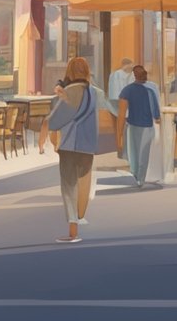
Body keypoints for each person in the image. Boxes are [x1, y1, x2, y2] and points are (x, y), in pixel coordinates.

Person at [50, 57, 99, 243]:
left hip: (70, 145)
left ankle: (73, 231)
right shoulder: (93, 92)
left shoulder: (69, 92)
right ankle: (80, 217)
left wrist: (59, 96)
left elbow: (55, 121)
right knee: (83, 182)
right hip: (88, 145)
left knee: (69, 187)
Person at [116, 65, 160, 188]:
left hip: (132, 125)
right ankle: (141, 178)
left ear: (134, 75)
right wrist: (157, 117)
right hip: (147, 125)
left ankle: (135, 175)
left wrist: (118, 136)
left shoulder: (127, 90)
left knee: (133, 152)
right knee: (143, 153)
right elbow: (156, 110)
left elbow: (121, 114)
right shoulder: (152, 88)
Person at [108, 58, 136, 159]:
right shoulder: (117, 75)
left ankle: (122, 151)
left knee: (123, 130)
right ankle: (121, 150)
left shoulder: (118, 75)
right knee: (122, 130)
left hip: (121, 105)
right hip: (122, 106)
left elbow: (114, 95)